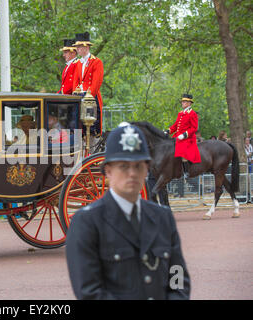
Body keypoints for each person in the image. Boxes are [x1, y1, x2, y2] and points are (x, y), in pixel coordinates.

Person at [66, 123, 190, 300]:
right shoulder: (86, 223)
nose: (132, 173)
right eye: (123, 166)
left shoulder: (163, 218)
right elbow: (90, 292)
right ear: (108, 171)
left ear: (147, 169)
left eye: (138, 166)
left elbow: (177, 278)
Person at [71, 32, 104, 135]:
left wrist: (88, 97)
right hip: (79, 96)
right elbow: (75, 82)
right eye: (77, 47)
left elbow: (96, 83)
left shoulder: (96, 62)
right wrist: (75, 95)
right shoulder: (78, 63)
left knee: (92, 127)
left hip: (90, 97)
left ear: (86, 47)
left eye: (79, 46)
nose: (77, 49)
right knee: (77, 125)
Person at [165, 94, 201, 179]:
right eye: (182, 101)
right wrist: (168, 131)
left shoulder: (192, 114)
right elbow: (176, 125)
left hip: (188, 138)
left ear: (189, 103)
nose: (182, 103)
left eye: (184, 101)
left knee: (182, 151)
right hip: (178, 136)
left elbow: (194, 128)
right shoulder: (180, 113)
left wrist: (185, 135)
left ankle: (186, 172)